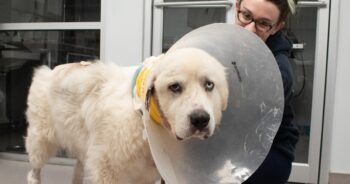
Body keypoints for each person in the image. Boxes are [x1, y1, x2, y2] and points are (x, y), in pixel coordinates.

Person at [234, 0, 300, 183]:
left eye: (263, 23)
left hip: (268, 154)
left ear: (277, 27)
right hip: (235, 143)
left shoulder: (277, 71)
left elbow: (240, 126)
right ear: (236, 6)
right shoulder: (229, 41)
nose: (249, 29)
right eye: (246, 15)